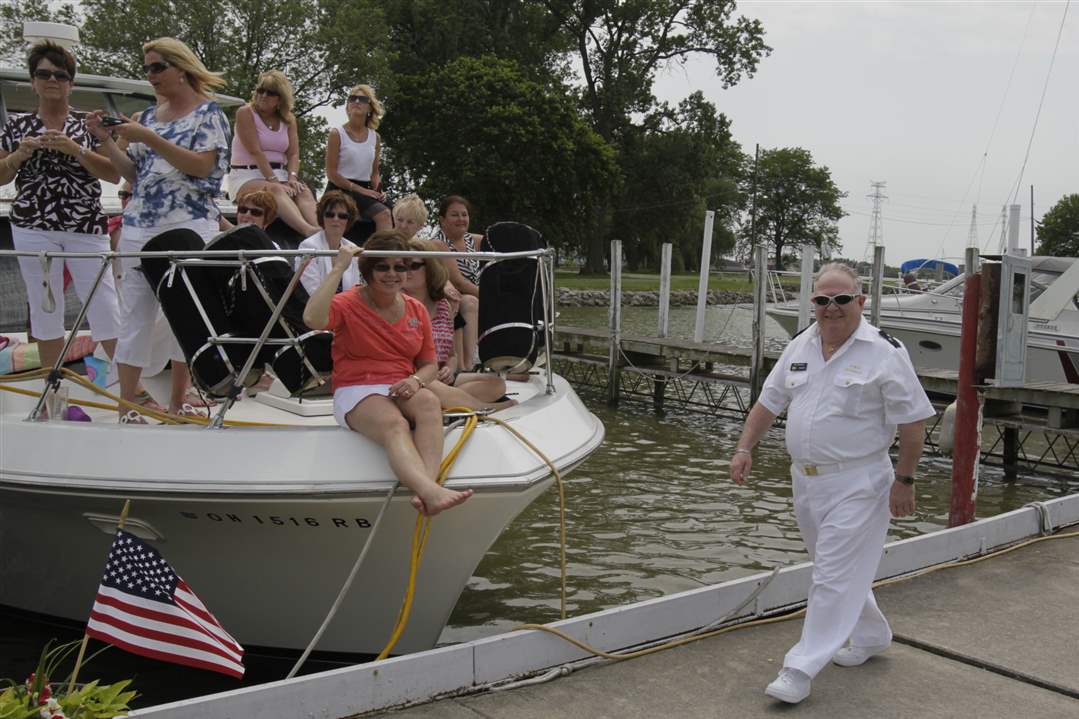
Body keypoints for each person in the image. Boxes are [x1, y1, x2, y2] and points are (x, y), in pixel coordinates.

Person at [729, 262, 935, 705]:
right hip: (806, 481)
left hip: (861, 481)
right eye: (823, 300)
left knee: (830, 575)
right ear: (813, 304)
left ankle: (800, 668)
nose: (832, 308)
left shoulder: (885, 352)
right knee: (834, 568)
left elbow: (912, 424)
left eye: (842, 299)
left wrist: (905, 480)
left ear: (860, 302)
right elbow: (770, 401)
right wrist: (745, 447)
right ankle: (872, 635)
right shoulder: (801, 344)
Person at [88, 37, 231, 423]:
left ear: (181, 69)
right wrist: (106, 142)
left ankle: (178, 401)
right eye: (146, 68)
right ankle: (128, 409)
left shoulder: (209, 115)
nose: (149, 76)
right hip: (140, 226)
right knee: (133, 317)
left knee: (182, 317)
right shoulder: (148, 117)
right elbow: (133, 173)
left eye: (156, 67)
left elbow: (204, 168)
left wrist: (150, 138)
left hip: (188, 224)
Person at [302, 231, 471, 516]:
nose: (392, 274)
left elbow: (429, 364)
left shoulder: (416, 309)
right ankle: (430, 491)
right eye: (382, 266)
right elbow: (312, 319)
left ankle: (427, 488)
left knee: (429, 402)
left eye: (399, 267)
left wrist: (415, 380)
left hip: (401, 384)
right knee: (395, 425)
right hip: (356, 388)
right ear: (368, 271)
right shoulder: (348, 302)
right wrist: (339, 268)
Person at [0, 40, 121, 373]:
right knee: (44, 306)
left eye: (60, 74)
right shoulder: (17, 127)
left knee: (104, 303)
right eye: (43, 73)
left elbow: (114, 174)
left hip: (85, 224)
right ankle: (52, 386)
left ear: (72, 82)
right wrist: (18, 156)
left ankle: (132, 388)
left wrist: (75, 150)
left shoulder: (90, 125)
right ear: (33, 80)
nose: (52, 79)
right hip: (32, 226)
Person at [404, 238, 506, 404]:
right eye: (403, 265)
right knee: (433, 389)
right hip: (415, 379)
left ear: (430, 268)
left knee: (497, 384)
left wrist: (449, 369)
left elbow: (452, 355)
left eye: (414, 266)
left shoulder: (443, 305)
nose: (405, 271)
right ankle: (476, 405)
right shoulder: (398, 305)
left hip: (442, 378)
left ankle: (451, 400)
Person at [227, 70, 318, 237]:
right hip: (246, 175)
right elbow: (255, 151)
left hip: (279, 173)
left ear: (280, 98)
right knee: (275, 190)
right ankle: (308, 231)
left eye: (270, 93)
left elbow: (293, 154)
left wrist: (292, 178)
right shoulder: (245, 113)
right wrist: (276, 181)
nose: (263, 95)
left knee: (303, 191)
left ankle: (322, 234)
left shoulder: (289, 119)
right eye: (260, 90)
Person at [394, 194, 479, 369]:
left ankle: (461, 366)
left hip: (421, 292)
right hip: (400, 292)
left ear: (419, 225)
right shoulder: (388, 245)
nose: (403, 226)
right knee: (446, 303)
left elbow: (436, 272)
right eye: (400, 220)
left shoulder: (422, 246)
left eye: (410, 222)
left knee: (451, 304)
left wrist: (446, 286)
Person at [324, 84, 391, 232]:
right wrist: (362, 191)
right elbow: (332, 174)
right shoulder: (337, 134)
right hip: (340, 189)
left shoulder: (375, 137)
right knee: (384, 214)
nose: (356, 102)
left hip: (365, 189)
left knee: (396, 212)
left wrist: (378, 191)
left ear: (369, 108)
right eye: (352, 98)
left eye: (362, 99)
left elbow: (374, 172)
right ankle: (381, 255)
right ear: (348, 106)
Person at [429, 195, 483, 368]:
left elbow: (501, 243)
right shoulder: (438, 243)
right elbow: (459, 282)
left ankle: (508, 358)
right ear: (442, 220)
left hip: (472, 293)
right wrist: (492, 298)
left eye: (464, 214)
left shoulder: (473, 241)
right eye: (454, 215)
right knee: (470, 302)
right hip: (447, 296)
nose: (461, 219)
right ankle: (468, 365)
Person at [297, 190, 362, 296]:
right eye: (330, 214)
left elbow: (354, 289)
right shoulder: (308, 246)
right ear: (322, 217)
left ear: (348, 220)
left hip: (345, 307)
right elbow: (311, 291)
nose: (336, 219)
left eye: (342, 216)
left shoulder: (352, 247)